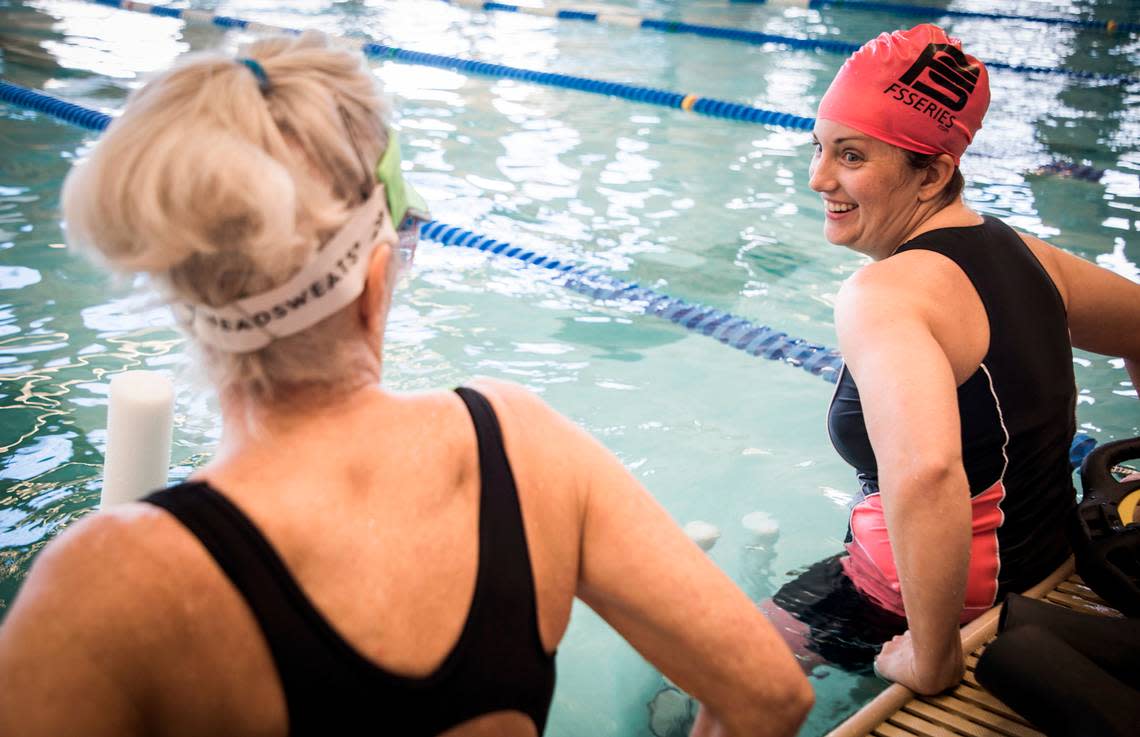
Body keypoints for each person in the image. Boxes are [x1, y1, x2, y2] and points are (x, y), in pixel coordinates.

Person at [0, 33, 812, 737]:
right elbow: (768, 693)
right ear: (379, 273)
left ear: (179, 295)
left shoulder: (104, 586)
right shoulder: (522, 445)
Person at [764, 23, 1140, 695]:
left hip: (913, 602)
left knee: (722, 685)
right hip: (1046, 560)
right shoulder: (1031, 255)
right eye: (818, 148)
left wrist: (932, 656)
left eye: (851, 156)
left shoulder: (884, 294)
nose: (819, 177)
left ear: (933, 171)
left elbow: (929, 472)